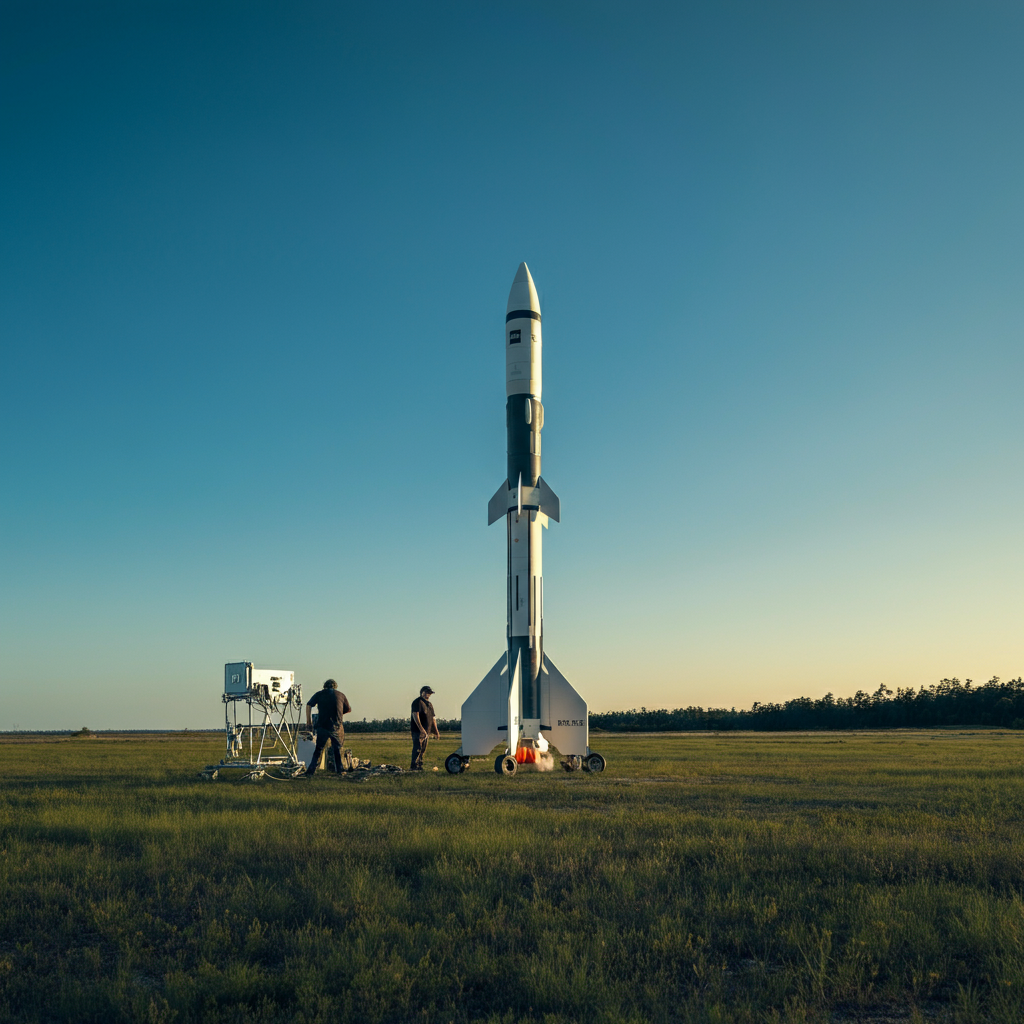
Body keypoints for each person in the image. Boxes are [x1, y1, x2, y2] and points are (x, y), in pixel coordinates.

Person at [304, 679, 352, 776]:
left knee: (318, 750)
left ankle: (310, 772)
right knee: (337, 749)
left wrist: (309, 722)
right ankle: (340, 771)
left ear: (324, 686)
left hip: (322, 725)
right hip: (336, 726)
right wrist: (338, 714)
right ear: (335, 686)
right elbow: (348, 709)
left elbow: (308, 705)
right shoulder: (341, 695)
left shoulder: (319, 694)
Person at [410, 685, 440, 771]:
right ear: (422, 692)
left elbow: (433, 718)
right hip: (418, 731)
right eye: (427, 692)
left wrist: (436, 731)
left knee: (423, 749)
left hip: (427, 731)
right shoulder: (417, 702)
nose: (428, 695)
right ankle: (414, 766)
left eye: (430, 693)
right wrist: (421, 729)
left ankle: (419, 765)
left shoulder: (429, 704)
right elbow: (415, 715)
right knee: (418, 748)